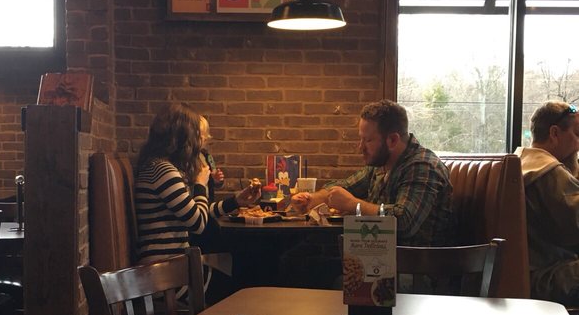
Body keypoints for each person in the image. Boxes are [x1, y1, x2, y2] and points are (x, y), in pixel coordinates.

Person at [291, 99, 455, 246]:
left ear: (392, 140)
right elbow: (345, 187)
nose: (360, 147)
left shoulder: (422, 166)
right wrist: (310, 199)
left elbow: (404, 221)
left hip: (413, 269)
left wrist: (352, 204)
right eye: (361, 139)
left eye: (368, 140)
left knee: (304, 265)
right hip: (377, 254)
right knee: (299, 254)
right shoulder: (380, 164)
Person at [135, 102, 260, 263]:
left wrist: (236, 202)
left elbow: (194, 212)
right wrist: (200, 184)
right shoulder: (163, 171)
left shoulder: (158, 167)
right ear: (182, 136)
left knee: (238, 257)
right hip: (165, 272)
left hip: (171, 267)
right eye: (196, 135)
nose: (198, 143)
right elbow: (199, 223)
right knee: (244, 258)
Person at [516, 100, 579, 304]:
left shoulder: (520, 162)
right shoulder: (549, 173)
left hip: (519, 272)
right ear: (554, 133)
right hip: (545, 278)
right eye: (577, 134)